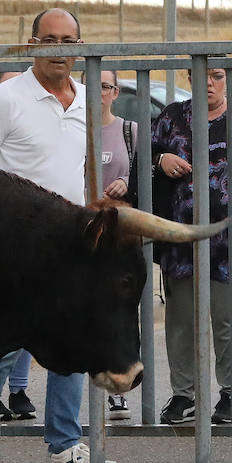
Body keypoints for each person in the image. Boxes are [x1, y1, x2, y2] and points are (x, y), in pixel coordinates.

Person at [0, 8, 119, 463]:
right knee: (2, 346)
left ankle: (65, 444)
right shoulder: (5, 98)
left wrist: (98, 212)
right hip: (15, 243)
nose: (59, 51)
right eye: (50, 40)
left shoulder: (87, 99)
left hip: (71, 241)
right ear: (31, 43)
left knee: (69, 345)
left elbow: (85, 170)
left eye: (68, 42)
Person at [153, 68, 232, 426]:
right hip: (181, 238)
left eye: (218, 75)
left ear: (228, 80)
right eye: (201, 75)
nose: (209, 82)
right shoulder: (172, 118)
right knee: (181, 321)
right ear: (188, 77)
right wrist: (161, 160)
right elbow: (143, 157)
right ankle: (184, 395)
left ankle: (229, 394)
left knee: (230, 320)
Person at [98, 68, 137, 420]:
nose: (99, 93)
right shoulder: (73, 129)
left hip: (118, 234)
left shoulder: (130, 131)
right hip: (79, 233)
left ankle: (116, 392)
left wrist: (126, 182)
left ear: (115, 92)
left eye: (106, 87)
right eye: (92, 87)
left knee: (116, 310)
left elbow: (144, 176)